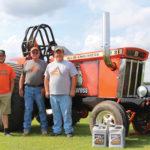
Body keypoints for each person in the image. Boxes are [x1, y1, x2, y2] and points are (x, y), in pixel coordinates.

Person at [44, 47, 78, 138]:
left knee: (66, 113)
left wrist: (72, 90)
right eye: (56, 53)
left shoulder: (69, 65)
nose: (58, 54)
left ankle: (68, 131)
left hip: (65, 94)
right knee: (55, 114)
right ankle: (57, 131)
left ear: (63, 54)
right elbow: (46, 79)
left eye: (60, 53)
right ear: (54, 54)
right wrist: (47, 91)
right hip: (53, 95)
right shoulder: (49, 66)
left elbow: (74, 77)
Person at [19, 47, 47, 136]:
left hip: (39, 89)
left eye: (36, 52)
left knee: (42, 109)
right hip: (28, 89)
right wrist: (20, 88)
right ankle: (26, 129)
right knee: (28, 109)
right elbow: (22, 77)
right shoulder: (26, 63)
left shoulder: (44, 64)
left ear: (39, 53)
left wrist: (45, 88)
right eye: (33, 52)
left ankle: (44, 129)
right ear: (30, 54)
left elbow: (46, 77)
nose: (35, 54)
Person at [0, 50, 16, 136]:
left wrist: (11, 92)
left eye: (2, 56)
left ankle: (6, 130)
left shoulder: (9, 68)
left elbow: (12, 81)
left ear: (5, 56)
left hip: (6, 93)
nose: (1, 57)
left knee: (5, 113)